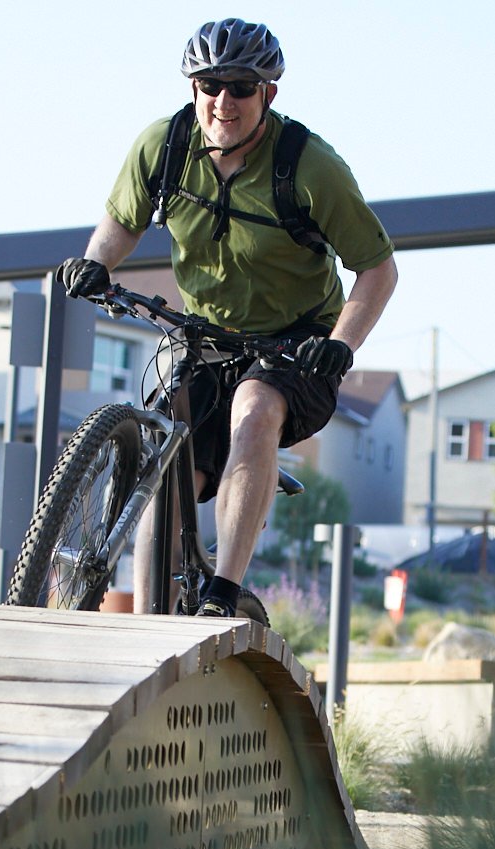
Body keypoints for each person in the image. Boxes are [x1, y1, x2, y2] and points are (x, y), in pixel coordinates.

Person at [58, 17, 398, 621]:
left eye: (241, 86)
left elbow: (377, 269)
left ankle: (221, 593)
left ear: (268, 92)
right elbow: (122, 223)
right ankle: (149, 619)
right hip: (204, 338)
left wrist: (340, 346)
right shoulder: (162, 148)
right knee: (166, 472)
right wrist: (94, 263)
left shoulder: (309, 166)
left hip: (298, 344)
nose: (223, 101)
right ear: (192, 88)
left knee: (256, 408)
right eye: (210, 84)